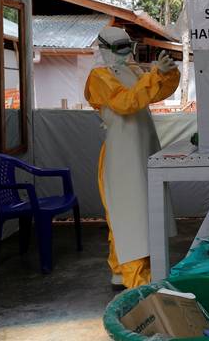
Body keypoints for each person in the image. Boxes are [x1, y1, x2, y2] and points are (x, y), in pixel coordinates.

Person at [84, 27, 180, 289]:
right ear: (104, 48)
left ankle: (120, 271)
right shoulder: (99, 76)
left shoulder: (134, 71)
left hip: (143, 147)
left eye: (129, 46)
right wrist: (153, 77)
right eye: (120, 48)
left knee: (144, 210)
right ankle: (134, 277)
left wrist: (167, 73)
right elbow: (124, 103)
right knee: (129, 214)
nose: (126, 53)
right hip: (122, 155)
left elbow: (157, 93)